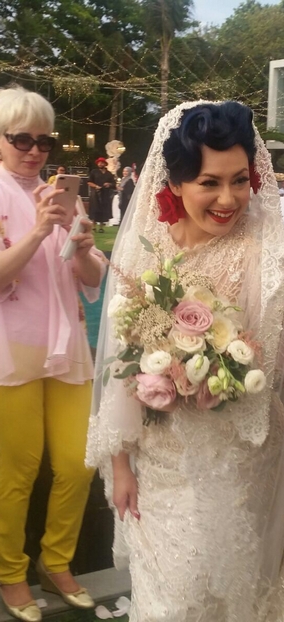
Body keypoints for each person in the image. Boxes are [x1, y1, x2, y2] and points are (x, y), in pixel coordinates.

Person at [86, 101, 284, 622]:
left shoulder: (267, 254)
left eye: (240, 180)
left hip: (235, 464)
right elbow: (121, 361)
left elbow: (276, 367)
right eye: (210, 182)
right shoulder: (147, 247)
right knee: (163, 601)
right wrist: (120, 464)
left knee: (211, 599)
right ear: (176, 182)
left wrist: (203, 371)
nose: (229, 199)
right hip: (157, 463)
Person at [0, 86, 106, 621]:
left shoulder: (64, 196)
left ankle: (56, 560)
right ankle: (10, 572)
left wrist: (81, 245)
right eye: (22, 139)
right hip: (11, 348)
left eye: (45, 140)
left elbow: (92, 279)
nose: (35, 150)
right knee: (16, 471)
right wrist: (41, 229)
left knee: (78, 462)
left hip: (67, 346)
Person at [88, 157, 116, 232]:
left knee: (103, 210)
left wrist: (109, 184)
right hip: (95, 194)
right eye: (99, 163)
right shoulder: (94, 172)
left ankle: (101, 227)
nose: (100, 164)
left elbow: (114, 184)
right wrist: (96, 186)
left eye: (102, 163)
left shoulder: (109, 174)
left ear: (105, 164)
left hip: (105, 194)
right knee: (94, 209)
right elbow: (89, 182)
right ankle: (93, 227)